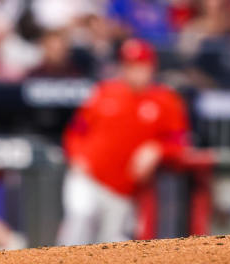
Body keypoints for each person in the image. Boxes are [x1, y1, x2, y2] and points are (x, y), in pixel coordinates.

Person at [58, 39, 197, 244]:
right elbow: (76, 131)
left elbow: (181, 143)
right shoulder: (105, 91)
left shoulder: (166, 101)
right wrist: (76, 156)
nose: (135, 72)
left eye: (141, 66)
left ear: (151, 67)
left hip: (123, 193)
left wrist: (158, 149)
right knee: (81, 218)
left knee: (112, 244)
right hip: (89, 178)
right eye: (129, 66)